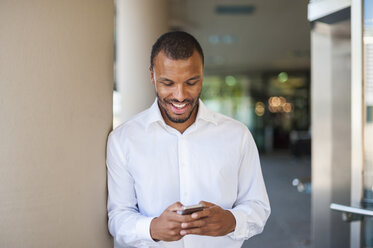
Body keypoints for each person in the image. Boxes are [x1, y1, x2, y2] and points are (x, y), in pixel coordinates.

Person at [106, 31, 270, 248]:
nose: (180, 95)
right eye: (168, 83)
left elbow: (258, 206)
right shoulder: (123, 139)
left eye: (191, 82)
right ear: (152, 75)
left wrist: (232, 221)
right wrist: (153, 228)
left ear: (202, 75)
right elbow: (118, 216)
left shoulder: (237, 135)